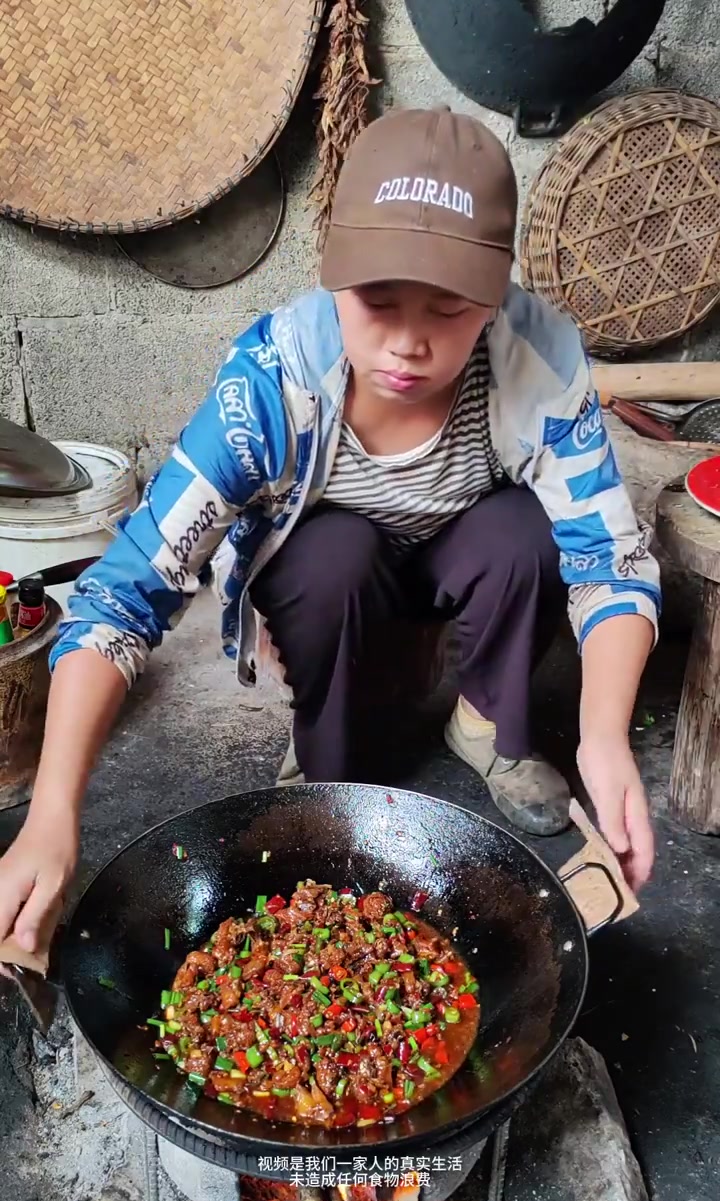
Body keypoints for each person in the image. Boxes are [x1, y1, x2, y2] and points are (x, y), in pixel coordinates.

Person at [0, 107, 660, 956]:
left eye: (450, 308)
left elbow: (610, 562)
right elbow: (124, 596)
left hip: (468, 548)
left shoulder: (540, 357)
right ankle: (327, 762)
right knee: (329, 558)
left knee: (526, 535)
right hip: (338, 574)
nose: (409, 343)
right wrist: (53, 813)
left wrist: (604, 736)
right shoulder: (268, 385)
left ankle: (487, 725)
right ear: (332, 274)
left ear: (496, 297)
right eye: (377, 301)